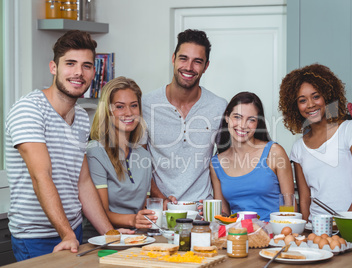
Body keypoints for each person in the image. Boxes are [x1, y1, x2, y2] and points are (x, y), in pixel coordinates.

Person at [5, 30, 133, 261]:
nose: (78, 72)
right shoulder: (30, 110)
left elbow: (83, 182)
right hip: (36, 236)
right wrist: (65, 234)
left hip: (74, 231)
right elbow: (40, 176)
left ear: (94, 72)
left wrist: (110, 234)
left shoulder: (82, 117)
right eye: (70, 63)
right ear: (53, 67)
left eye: (86, 65)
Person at [142, 29, 227, 208]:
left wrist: (217, 205)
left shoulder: (219, 106)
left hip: (203, 209)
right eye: (183, 58)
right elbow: (140, 161)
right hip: (160, 208)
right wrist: (160, 197)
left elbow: (226, 160)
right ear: (173, 58)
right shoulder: (146, 104)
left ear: (206, 66)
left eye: (197, 61)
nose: (189, 67)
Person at [278, 63, 352, 222]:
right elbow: (305, 198)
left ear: (327, 97)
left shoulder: (351, 131)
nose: (310, 104)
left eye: (316, 96)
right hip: (318, 228)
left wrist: (344, 223)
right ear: (295, 107)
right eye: (302, 100)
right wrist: (307, 231)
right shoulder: (298, 148)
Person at [83, 76, 156, 240]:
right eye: (120, 107)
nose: (129, 113)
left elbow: (144, 206)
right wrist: (133, 220)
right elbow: (101, 212)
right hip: (101, 237)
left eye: (134, 106)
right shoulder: (95, 151)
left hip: (136, 237)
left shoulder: (143, 155)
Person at [210, 92, 295, 221]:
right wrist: (208, 211)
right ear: (227, 117)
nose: (243, 125)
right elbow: (224, 215)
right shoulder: (216, 163)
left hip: (275, 237)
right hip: (238, 236)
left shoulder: (275, 152)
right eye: (237, 117)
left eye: (251, 120)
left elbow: (290, 207)